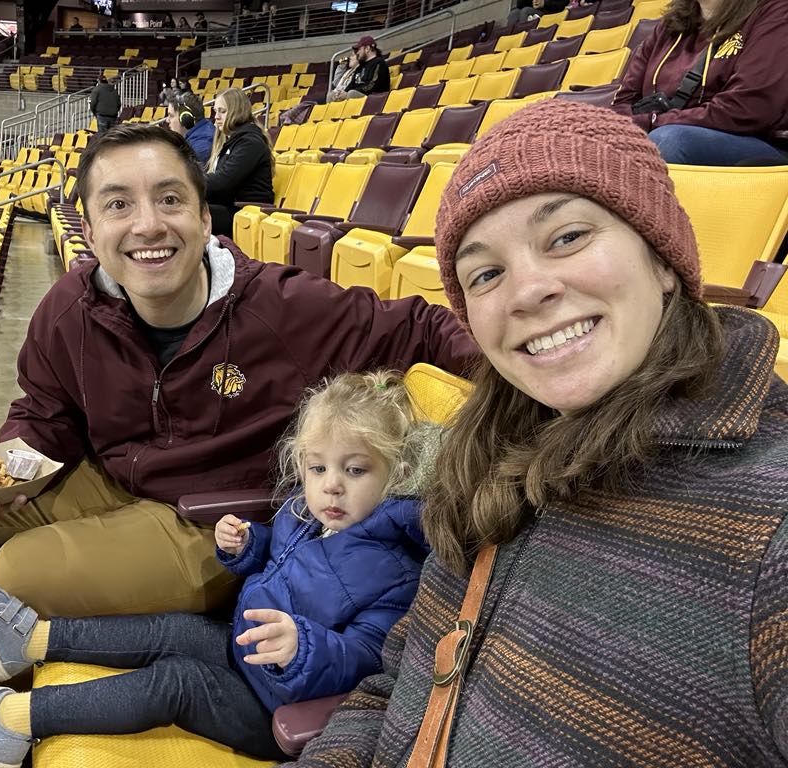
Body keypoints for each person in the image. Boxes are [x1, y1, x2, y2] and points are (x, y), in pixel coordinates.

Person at [0, 124, 480, 766]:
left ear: (205, 220)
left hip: (211, 522)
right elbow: (45, 411)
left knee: (15, 574)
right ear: (88, 229)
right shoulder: (69, 308)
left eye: (170, 199)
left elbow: (423, 325)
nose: (148, 224)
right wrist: (11, 467)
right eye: (119, 204)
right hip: (115, 478)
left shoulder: (284, 307)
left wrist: (530, 380)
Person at [290, 99, 788, 767]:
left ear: (663, 257)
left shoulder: (770, 524)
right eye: (487, 273)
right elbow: (401, 685)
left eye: (567, 236)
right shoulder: (487, 455)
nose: (526, 291)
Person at [0, 370, 433, 767]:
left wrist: (304, 647)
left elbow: (368, 659)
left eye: (356, 469)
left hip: (276, 706)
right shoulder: (306, 513)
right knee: (171, 629)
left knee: (176, 681)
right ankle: (30, 641)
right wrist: (247, 545)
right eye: (318, 467)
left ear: (398, 473)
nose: (331, 485)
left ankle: (8, 723)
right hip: (243, 648)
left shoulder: (398, 573)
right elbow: (279, 561)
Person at [613, 0, 788, 166]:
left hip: (755, 143)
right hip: (665, 132)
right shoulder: (667, 27)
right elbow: (624, 102)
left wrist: (652, 122)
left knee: (669, 141)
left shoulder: (775, 11)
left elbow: (747, 109)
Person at [205, 88, 274, 237]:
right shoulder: (232, 141)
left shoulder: (250, 143)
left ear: (237, 112)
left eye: (222, 111)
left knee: (188, 213)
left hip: (246, 213)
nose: (216, 117)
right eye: (216, 111)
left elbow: (222, 182)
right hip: (231, 207)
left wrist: (188, 181)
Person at [167, 91, 214, 165]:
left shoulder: (200, 148)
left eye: (171, 116)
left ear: (185, 117)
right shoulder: (203, 131)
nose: (167, 120)